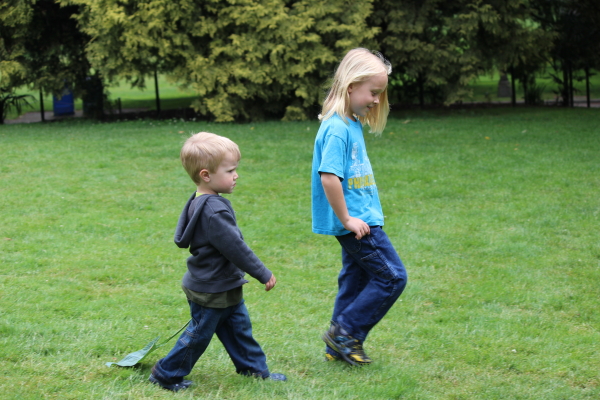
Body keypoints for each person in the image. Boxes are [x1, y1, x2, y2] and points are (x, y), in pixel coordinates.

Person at [149, 132, 286, 392]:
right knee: (198, 336)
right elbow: (236, 248)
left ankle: (254, 370)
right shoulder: (215, 211)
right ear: (206, 175)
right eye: (230, 170)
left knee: (238, 329)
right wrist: (262, 272)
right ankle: (166, 374)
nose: (236, 175)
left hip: (222, 284)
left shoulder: (200, 200)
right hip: (211, 289)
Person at [311, 48, 408, 366]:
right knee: (392, 277)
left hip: (361, 219)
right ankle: (346, 333)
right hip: (358, 223)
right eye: (373, 92)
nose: (377, 100)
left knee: (355, 280)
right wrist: (347, 218)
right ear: (351, 86)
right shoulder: (338, 128)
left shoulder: (349, 123)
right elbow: (329, 178)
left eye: (381, 94)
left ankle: (336, 345)